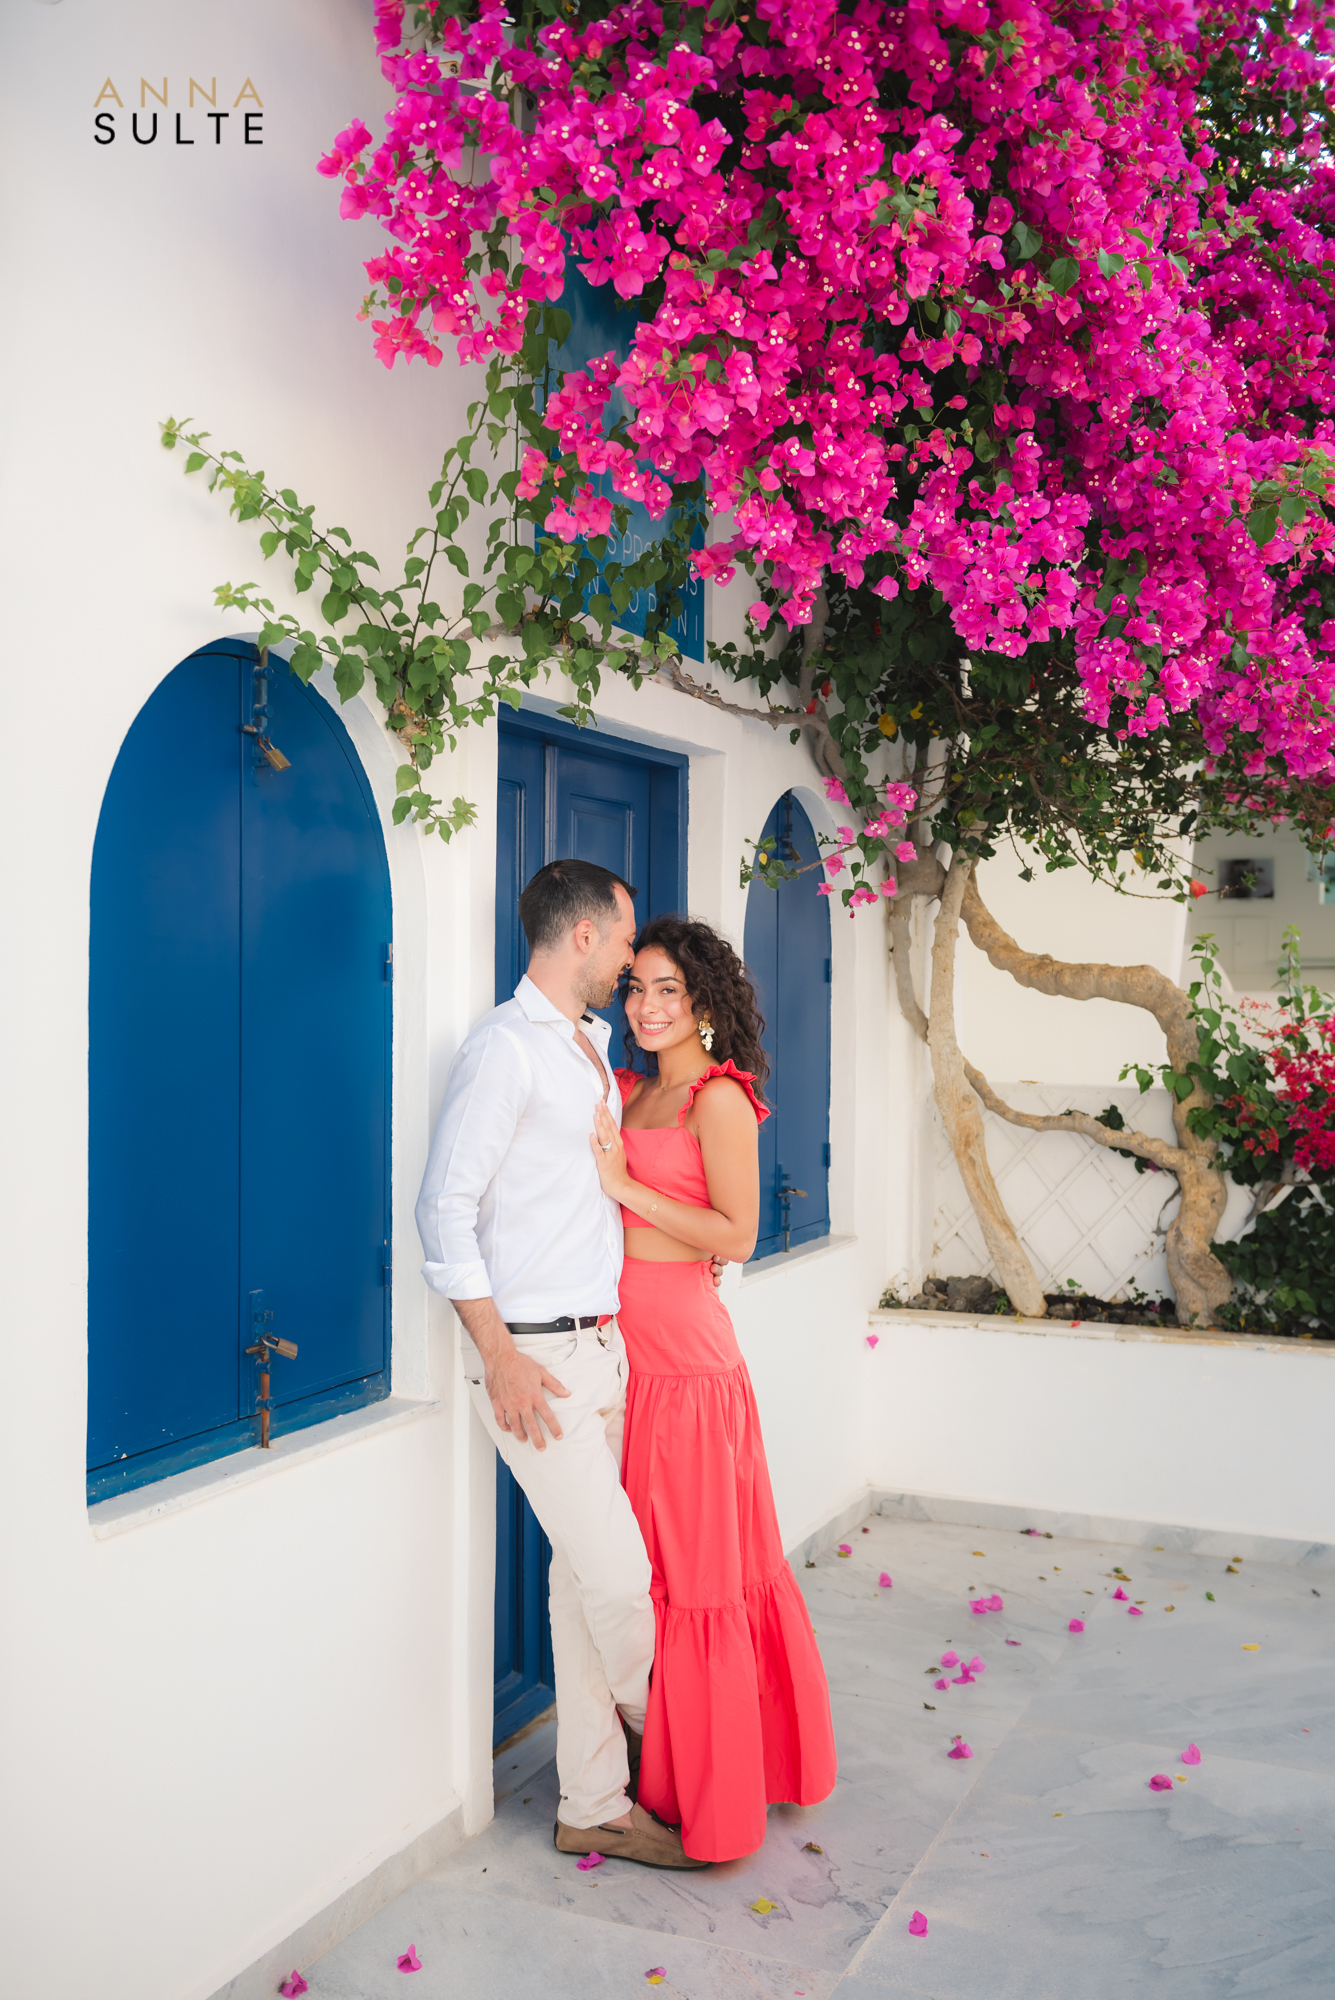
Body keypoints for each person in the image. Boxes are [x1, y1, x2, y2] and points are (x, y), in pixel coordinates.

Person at [415, 859, 706, 1870]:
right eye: (625, 942)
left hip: (604, 1346)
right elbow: (442, 1209)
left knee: (579, 1583)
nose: (633, 963)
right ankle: (688, 1728)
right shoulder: (506, 1051)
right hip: (533, 1362)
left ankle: (594, 1800)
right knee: (622, 1580)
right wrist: (495, 1350)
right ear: (583, 936)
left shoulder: (587, 1044)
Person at [590, 915, 838, 1864]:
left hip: (688, 1368)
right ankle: (667, 1771)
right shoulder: (628, 1089)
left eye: (668, 992)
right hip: (625, 1359)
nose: (647, 1008)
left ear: (702, 1005)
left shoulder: (715, 1098)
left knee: (697, 1580)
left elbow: (735, 1236)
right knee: (642, 1576)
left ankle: (718, 1793)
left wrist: (625, 1186)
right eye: (636, 989)